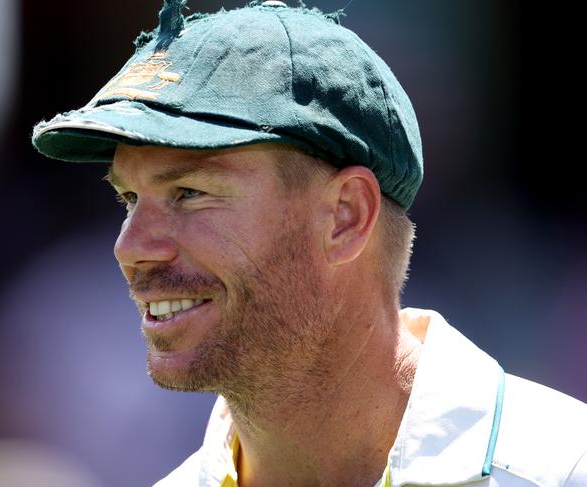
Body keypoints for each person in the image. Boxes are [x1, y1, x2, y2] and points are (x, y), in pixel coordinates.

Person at [32, 1, 587, 486]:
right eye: (129, 199)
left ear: (346, 217)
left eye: (189, 192)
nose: (130, 248)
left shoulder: (562, 468)